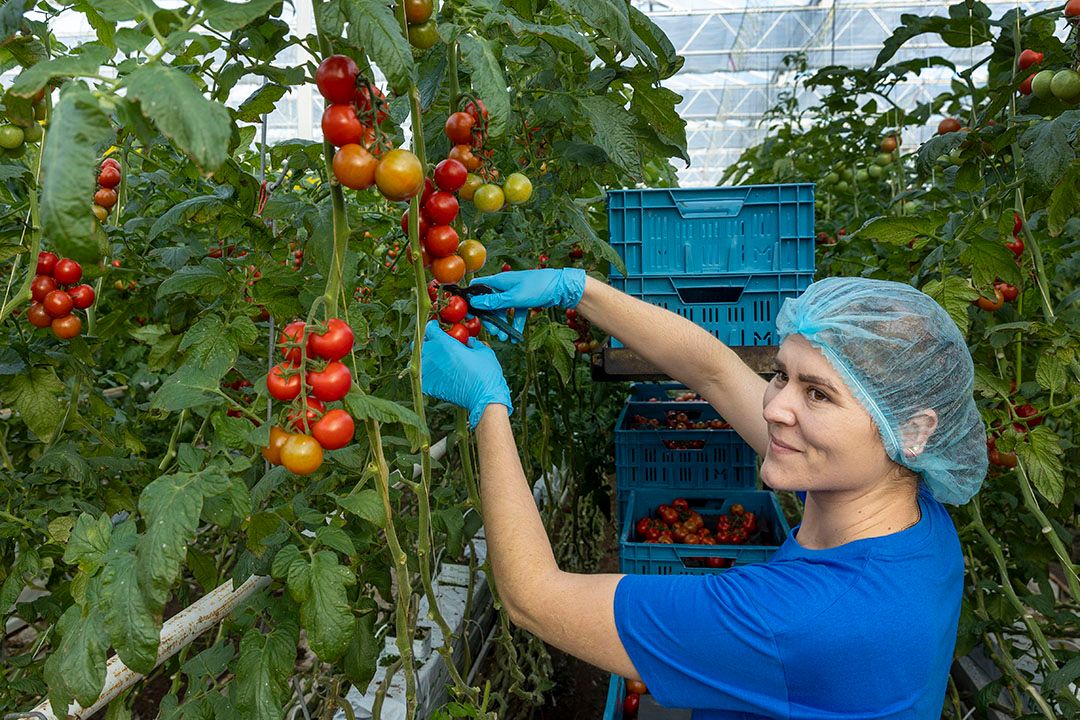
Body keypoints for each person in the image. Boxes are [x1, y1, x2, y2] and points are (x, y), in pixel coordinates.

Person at [420, 268, 988, 719]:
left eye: (818, 395)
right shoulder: (912, 519)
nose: (776, 407)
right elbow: (715, 371)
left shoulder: (796, 618)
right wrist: (577, 289)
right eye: (782, 374)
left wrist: (487, 405)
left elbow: (532, 598)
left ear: (913, 431)